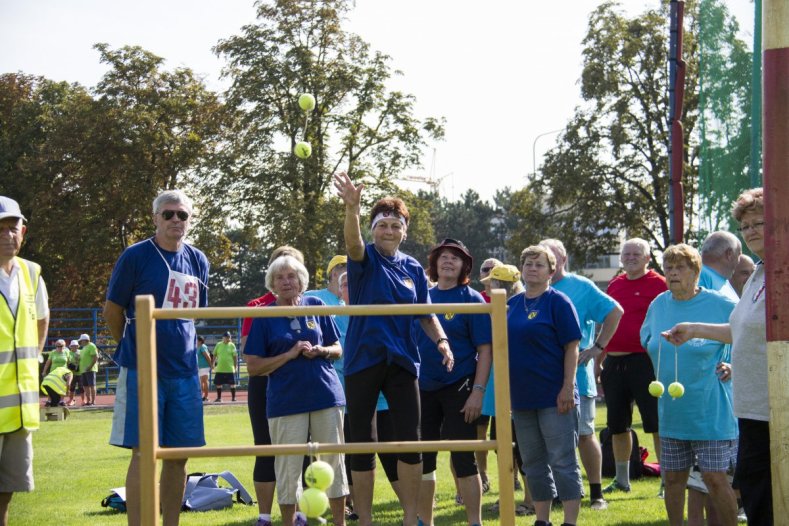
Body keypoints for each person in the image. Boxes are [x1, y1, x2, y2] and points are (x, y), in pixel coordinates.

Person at [333, 172, 454, 526]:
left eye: (394, 225)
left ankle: (409, 518)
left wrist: (442, 341)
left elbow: (425, 313)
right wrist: (352, 210)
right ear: (373, 228)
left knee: (410, 442)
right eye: (382, 224)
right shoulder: (364, 259)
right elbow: (353, 245)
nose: (388, 230)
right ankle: (366, 518)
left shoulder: (414, 268)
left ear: (404, 230)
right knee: (363, 442)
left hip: (402, 362)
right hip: (363, 360)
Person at [664, 188, 772, 525]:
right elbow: (740, 330)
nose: (752, 230)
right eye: (745, 225)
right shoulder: (757, 274)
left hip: (778, 409)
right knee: (757, 495)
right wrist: (694, 329)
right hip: (752, 408)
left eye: (760, 222)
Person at [103, 189, 209, 526]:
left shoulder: (199, 260)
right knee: (143, 453)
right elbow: (112, 310)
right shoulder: (135, 256)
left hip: (185, 372)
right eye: (169, 214)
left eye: (182, 215)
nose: (176, 220)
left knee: (178, 457)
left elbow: (196, 315)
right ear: (155, 219)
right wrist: (133, 349)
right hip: (143, 371)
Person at [244, 255, 348, 526]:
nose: (286, 281)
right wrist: (289, 355)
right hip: (285, 402)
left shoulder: (316, 304)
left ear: (301, 280)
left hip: (326, 395)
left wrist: (321, 350)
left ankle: (340, 522)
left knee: (334, 464)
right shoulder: (264, 316)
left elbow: (338, 348)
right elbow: (253, 367)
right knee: (288, 470)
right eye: (280, 277)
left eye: (291, 276)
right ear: (272, 284)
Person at [641, 244, 738, 526]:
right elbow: (647, 340)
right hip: (672, 410)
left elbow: (748, 336)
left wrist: (733, 365)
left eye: (680, 267)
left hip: (711, 408)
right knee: (673, 479)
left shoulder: (720, 304)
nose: (672, 273)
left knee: (715, 479)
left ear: (696, 272)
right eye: (668, 268)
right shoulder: (658, 304)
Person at [540, 239, 623, 511]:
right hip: (540, 379)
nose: (547, 262)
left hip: (578, 378)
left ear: (562, 259)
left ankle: (596, 493)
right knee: (547, 439)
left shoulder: (581, 287)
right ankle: (552, 494)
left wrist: (598, 347)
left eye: (551, 257)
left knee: (585, 435)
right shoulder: (533, 288)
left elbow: (615, 311)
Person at [415, 238, 492, 526]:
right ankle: (426, 520)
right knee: (424, 459)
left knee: (463, 458)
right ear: (434, 263)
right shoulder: (422, 296)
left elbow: (485, 350)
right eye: (443, 257)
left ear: (464, 266)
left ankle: (475, 522)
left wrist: (478, 392)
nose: (448, 261)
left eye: (455, 258)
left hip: (460, 385)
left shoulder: (471, 298)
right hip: (423, 388)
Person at [508, 245, 583, 526]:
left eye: (539, 264)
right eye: (527, 263)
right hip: (522, 398)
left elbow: (572, 347)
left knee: (563, 461)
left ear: (552, 271)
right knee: (532, 462)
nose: (532, 268)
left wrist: (567, 387)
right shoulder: (512, 305)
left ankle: (570, 521)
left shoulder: (559, 302)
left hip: (555, 396)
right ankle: (542, 520)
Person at [241, 245, 305, 526]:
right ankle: (264, 516)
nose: (287, 277)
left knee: (303, 451)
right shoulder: (256, 307)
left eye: (293, 270)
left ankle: (300, 513)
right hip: (265, 386)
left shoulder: (311, 304)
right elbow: (250, 353)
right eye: (280, 269)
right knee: (265, 449)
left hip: (302, 386)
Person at [601, 238, 666, 494]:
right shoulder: (615, 284)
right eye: (626, 253)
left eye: (636, 254)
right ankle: (622, 479)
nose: (630, 257)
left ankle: (665, 481)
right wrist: (599, 360)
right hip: (614, 362)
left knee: (655, 424)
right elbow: (607, 322)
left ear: (647, 258)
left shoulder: (659, 284)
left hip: (646, 362)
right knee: (618, 425)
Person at [0, 196, 49, 526]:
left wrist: (36, 357)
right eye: (0, 229)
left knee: (10, 483)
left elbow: (42, 319)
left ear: (24, 232)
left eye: (12, 228)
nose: (7, 235)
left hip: (19, 403)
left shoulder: (32, 274)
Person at [479, 264, 533, 517]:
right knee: (504, 446)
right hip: (501, 392)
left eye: (492, 284)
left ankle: (531, 501)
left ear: (505, 286)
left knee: (524, 448)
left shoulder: (518, 309)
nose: (487, 287)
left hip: (520, 390)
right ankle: (509, 497)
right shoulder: (501, 309)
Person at [699, 231, 741, 300]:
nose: (739, 262)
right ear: (729, 254)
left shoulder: (721, 279)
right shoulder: (698, 275)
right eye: (739, 255)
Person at [212, 331, 237, 403]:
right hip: (220, 368)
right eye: (226, 337)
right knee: (218, 384)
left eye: (229, 337)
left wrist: (235, 366)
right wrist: (213, 363)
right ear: (223, 338)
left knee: (232, 384)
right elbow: (214, 354)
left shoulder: (232, 345)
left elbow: (235, 357)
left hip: (230, 369)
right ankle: (219, 398)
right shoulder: (218, 344)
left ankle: (233, 398)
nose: (227, 338)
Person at [77, 333, 99, 407]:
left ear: (85, 340)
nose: (80, 342)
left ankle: (93, 401)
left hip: (90, 369)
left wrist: (89, 367)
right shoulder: (84, 348)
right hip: (83, 370)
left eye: (81, 341)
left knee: (92, 385)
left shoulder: (91, 346)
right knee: (86, 386)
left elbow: (95, 357)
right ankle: (89, 401)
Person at [196, 336, 212, 402]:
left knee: (204, 381)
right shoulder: (197, 347)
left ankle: (206, 397)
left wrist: (211, 365)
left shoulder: (203, 346)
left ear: (200, 341)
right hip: (199, 367)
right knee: (200, 382)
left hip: (205, 366)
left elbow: (207, 356)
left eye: (196, 340)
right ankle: (201, 396)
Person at [66, 340, 82, 406]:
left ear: (78, 346)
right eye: (73, 346)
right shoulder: (68, 353)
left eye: (76, 346)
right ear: (71, 346)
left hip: (80, 372)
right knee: (72, 387)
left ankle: (84, 400)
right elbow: (67, 361)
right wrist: (70, 365)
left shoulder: (81, 352)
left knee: (82, 387)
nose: (74, 347)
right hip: (72, 373)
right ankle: (71, 400)